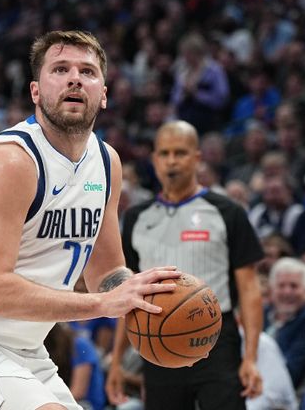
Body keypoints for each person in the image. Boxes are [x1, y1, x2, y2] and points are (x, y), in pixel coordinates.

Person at [0, 31, 180, 410]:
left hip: (24, 345)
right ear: (35, 91)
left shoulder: (107, 163)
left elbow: (108, 270)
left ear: (104, 93)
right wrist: (102, 304)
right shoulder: (8, 162)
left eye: (87, 71)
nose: (74, 79)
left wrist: (145, 296)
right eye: (60, 69)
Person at [107, 120, 264, 410]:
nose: (171, 161)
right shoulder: (136, 218)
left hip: (216, 337)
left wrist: (251, 358)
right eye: (164, 153)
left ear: (197, 158)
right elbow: (127, 295)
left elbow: (250, 290)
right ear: (154, 160)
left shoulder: (227, 211)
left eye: (180, 153)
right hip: (155, 337)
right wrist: (117, 360)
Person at [264, 257, 305, 389]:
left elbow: (292, 372)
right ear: (272, 289)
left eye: (294, 286)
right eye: (281, 285)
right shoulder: (261, 314)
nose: (287, 292)